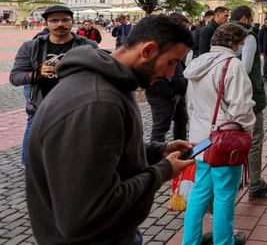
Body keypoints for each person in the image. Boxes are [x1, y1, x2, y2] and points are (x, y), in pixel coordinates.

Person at [25, 14, 196, 244]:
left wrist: (155, 152)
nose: (170, 74)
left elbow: (98, 156)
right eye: (172, 62)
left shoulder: (113, 83)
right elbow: (84, 216)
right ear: (148, 50)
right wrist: (161, 171)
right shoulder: (97, 103)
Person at [182, 23, 256, 245]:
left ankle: (190, 241)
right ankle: (224, 241)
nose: (242, 47)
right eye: (241, 43)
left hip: (200, 137)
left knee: (200, 192)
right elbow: (241, 109)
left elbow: (190, 105)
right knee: (225, 194)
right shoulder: (232, 65)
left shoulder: (197, 62)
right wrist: (247, 134)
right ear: (234, 43)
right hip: (225, 140)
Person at [11, 5, 99, 170]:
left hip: (75, 102)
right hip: (41, 101)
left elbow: (98, 74)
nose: (60, 24)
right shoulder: (30, 47)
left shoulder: (88, 46)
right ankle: (29, 164)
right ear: (46, 23)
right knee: (34, 129)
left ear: (72, 22)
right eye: (54, 20)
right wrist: (37, 73)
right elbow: (15, 78)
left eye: (65, 20)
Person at [231, 6, 267, 199]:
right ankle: (255, 184)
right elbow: (245, 68)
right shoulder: (248, 35)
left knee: (232, 139)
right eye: (251, 19)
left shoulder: (223, 33)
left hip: (228, 97)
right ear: (245, 18)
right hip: (249, 97)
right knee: (254, 141)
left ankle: (234, 183)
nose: (252, 22)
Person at [145, 13, 191, 143]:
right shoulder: (158, 42)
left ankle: (181, 151)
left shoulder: (174, 43)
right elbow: (152, 72)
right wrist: (170, 94)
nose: (185, 31)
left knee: (182, 120)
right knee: (160, 128)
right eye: (183, 27)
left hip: (177, 91)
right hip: (163, 94)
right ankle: (157, 159)